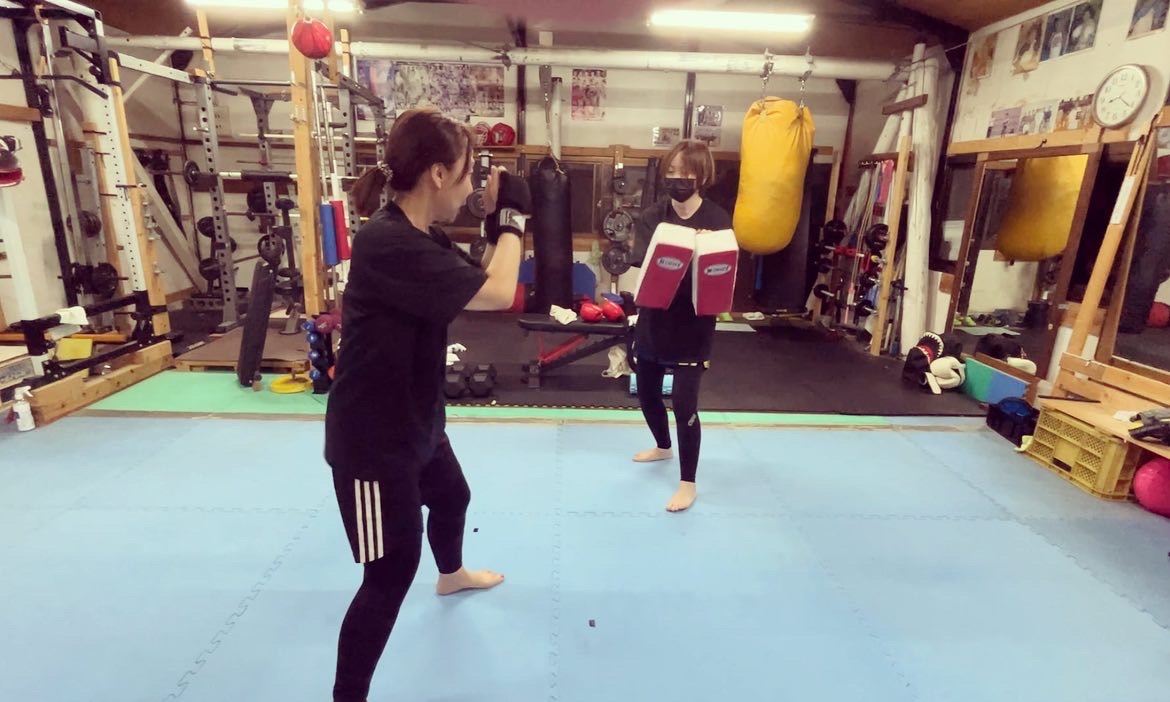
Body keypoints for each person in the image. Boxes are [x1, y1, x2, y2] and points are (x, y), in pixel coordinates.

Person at [324, 107, 532, 702]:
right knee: (388, 576)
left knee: (452, 495)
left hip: (416, 420)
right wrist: (514, 219)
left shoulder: (421, 237)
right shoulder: (387, 241)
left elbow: (477, 279)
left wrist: (493, 223)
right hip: (372, 443)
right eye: (467, 175)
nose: (470, 189)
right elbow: (500, 291)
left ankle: (451, 576)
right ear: (438, 174)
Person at [629, 139, 732, 513]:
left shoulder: (717, 219)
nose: (678, 179)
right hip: (654, 318)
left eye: (686, 173)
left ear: (701, 176)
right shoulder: (653, 216)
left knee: (685, 404)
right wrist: (675, 247)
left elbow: (723, 270)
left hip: (693, 325)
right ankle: (662, 446)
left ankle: (688, 482)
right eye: (671, 172)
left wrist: (704, 250)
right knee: (647, 394)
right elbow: (643, 262)